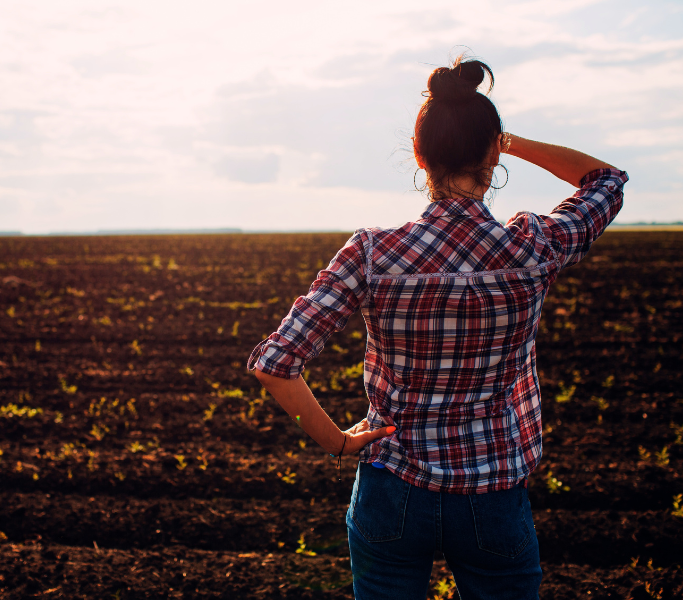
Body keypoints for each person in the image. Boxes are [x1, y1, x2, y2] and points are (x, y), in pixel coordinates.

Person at [247, 55, 627, 600]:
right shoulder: (533, 247)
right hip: (494, 490)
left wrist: (337, 442)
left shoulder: (373, 253)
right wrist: (507, 141)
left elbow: (276, 364)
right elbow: (606, 180)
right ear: (492, 153)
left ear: (419, 156)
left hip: (391, 488)